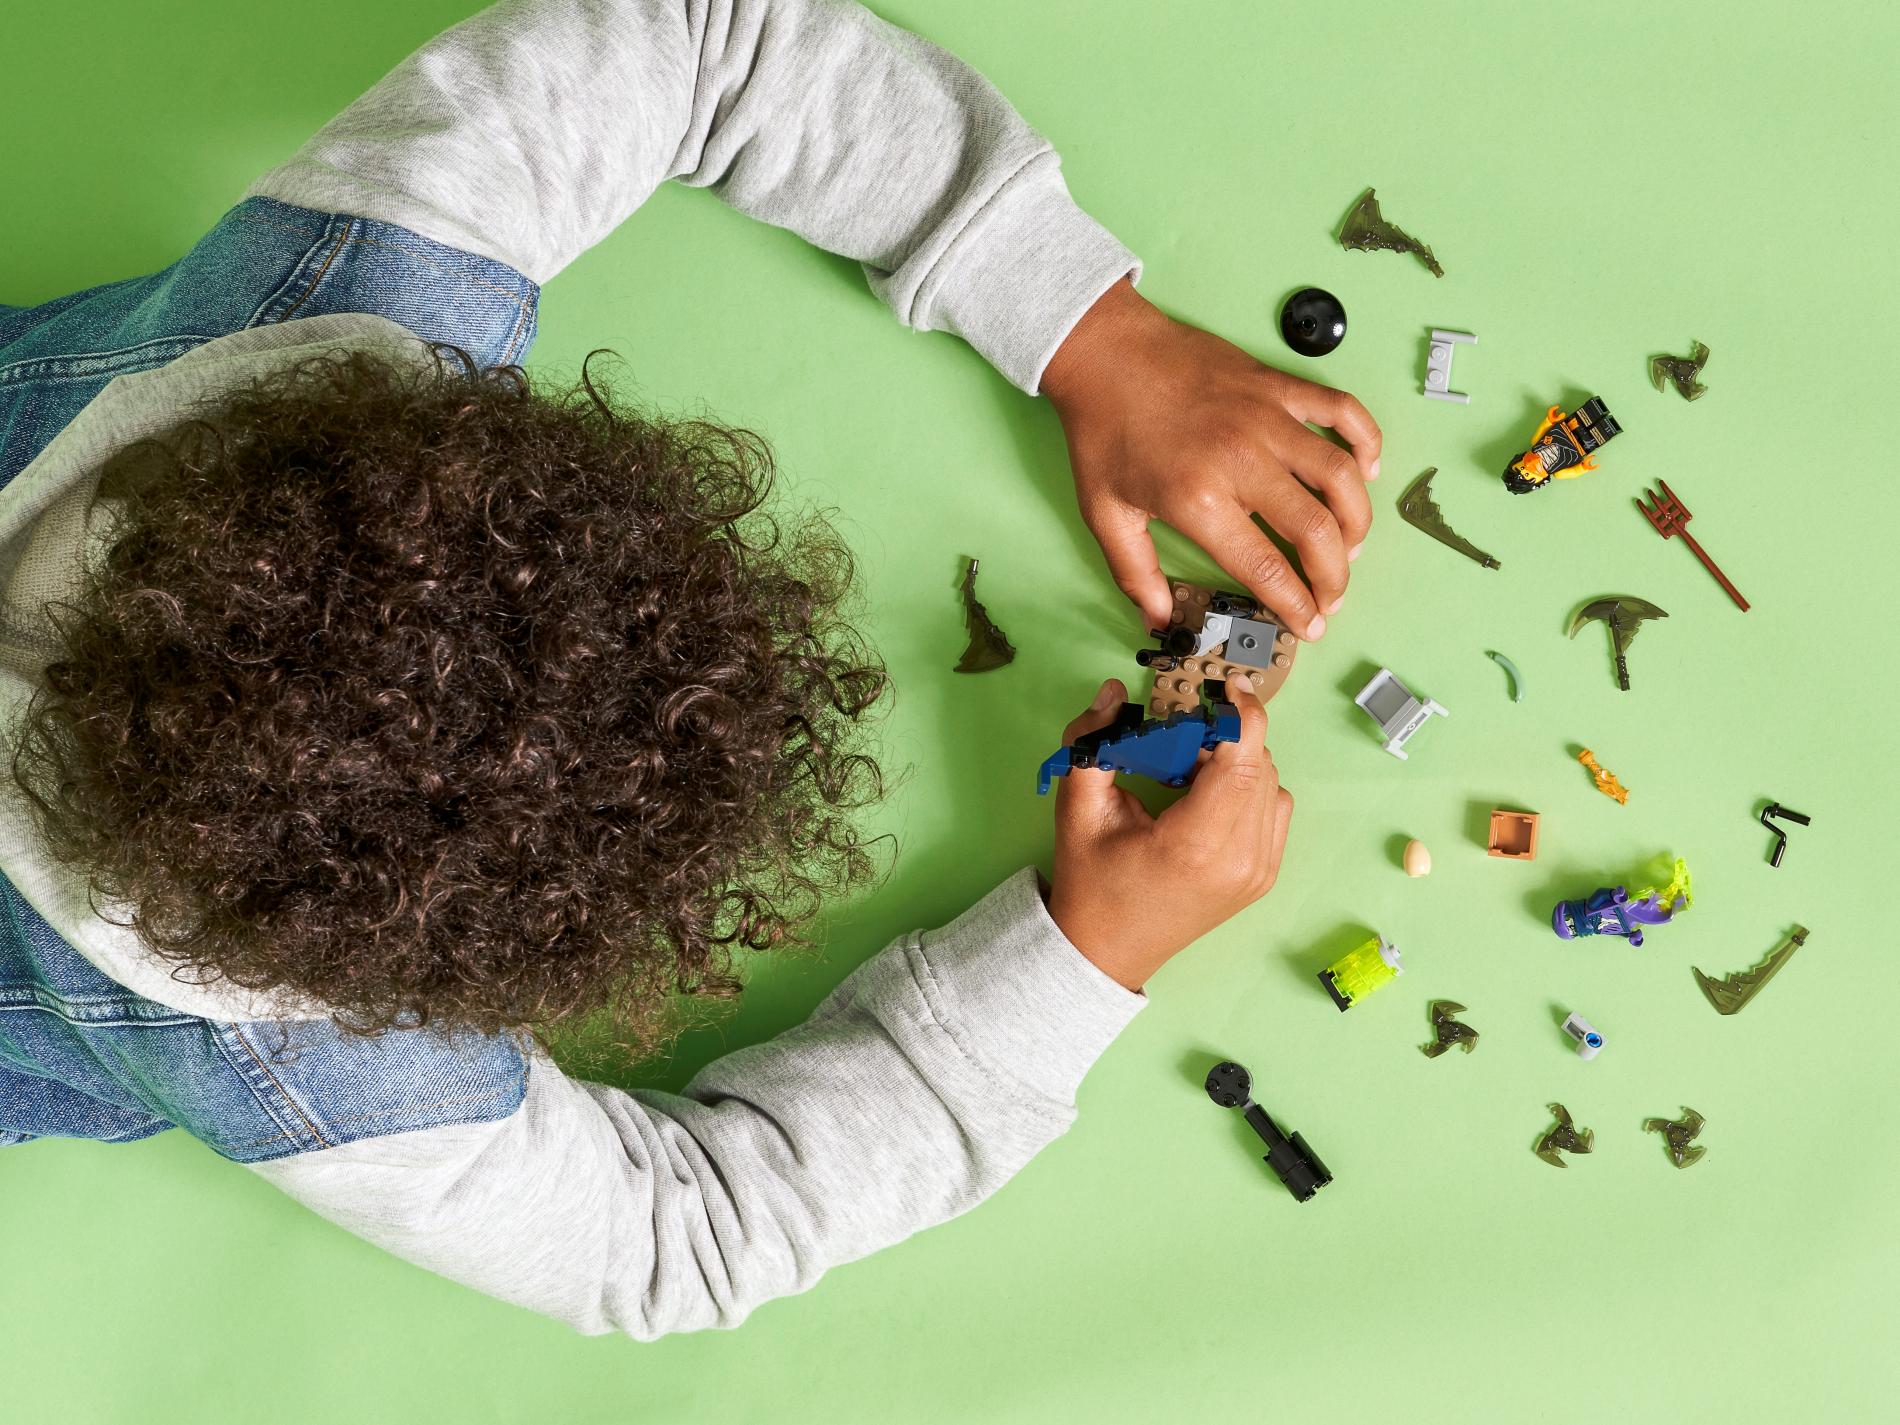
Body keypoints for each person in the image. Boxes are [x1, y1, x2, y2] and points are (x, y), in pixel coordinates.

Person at [0, 0, 1379, 1337]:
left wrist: (1088, 328)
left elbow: (700, 37)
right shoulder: (327, 1080)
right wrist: (1081, 962)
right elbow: (680, 1243)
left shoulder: (350, 291)